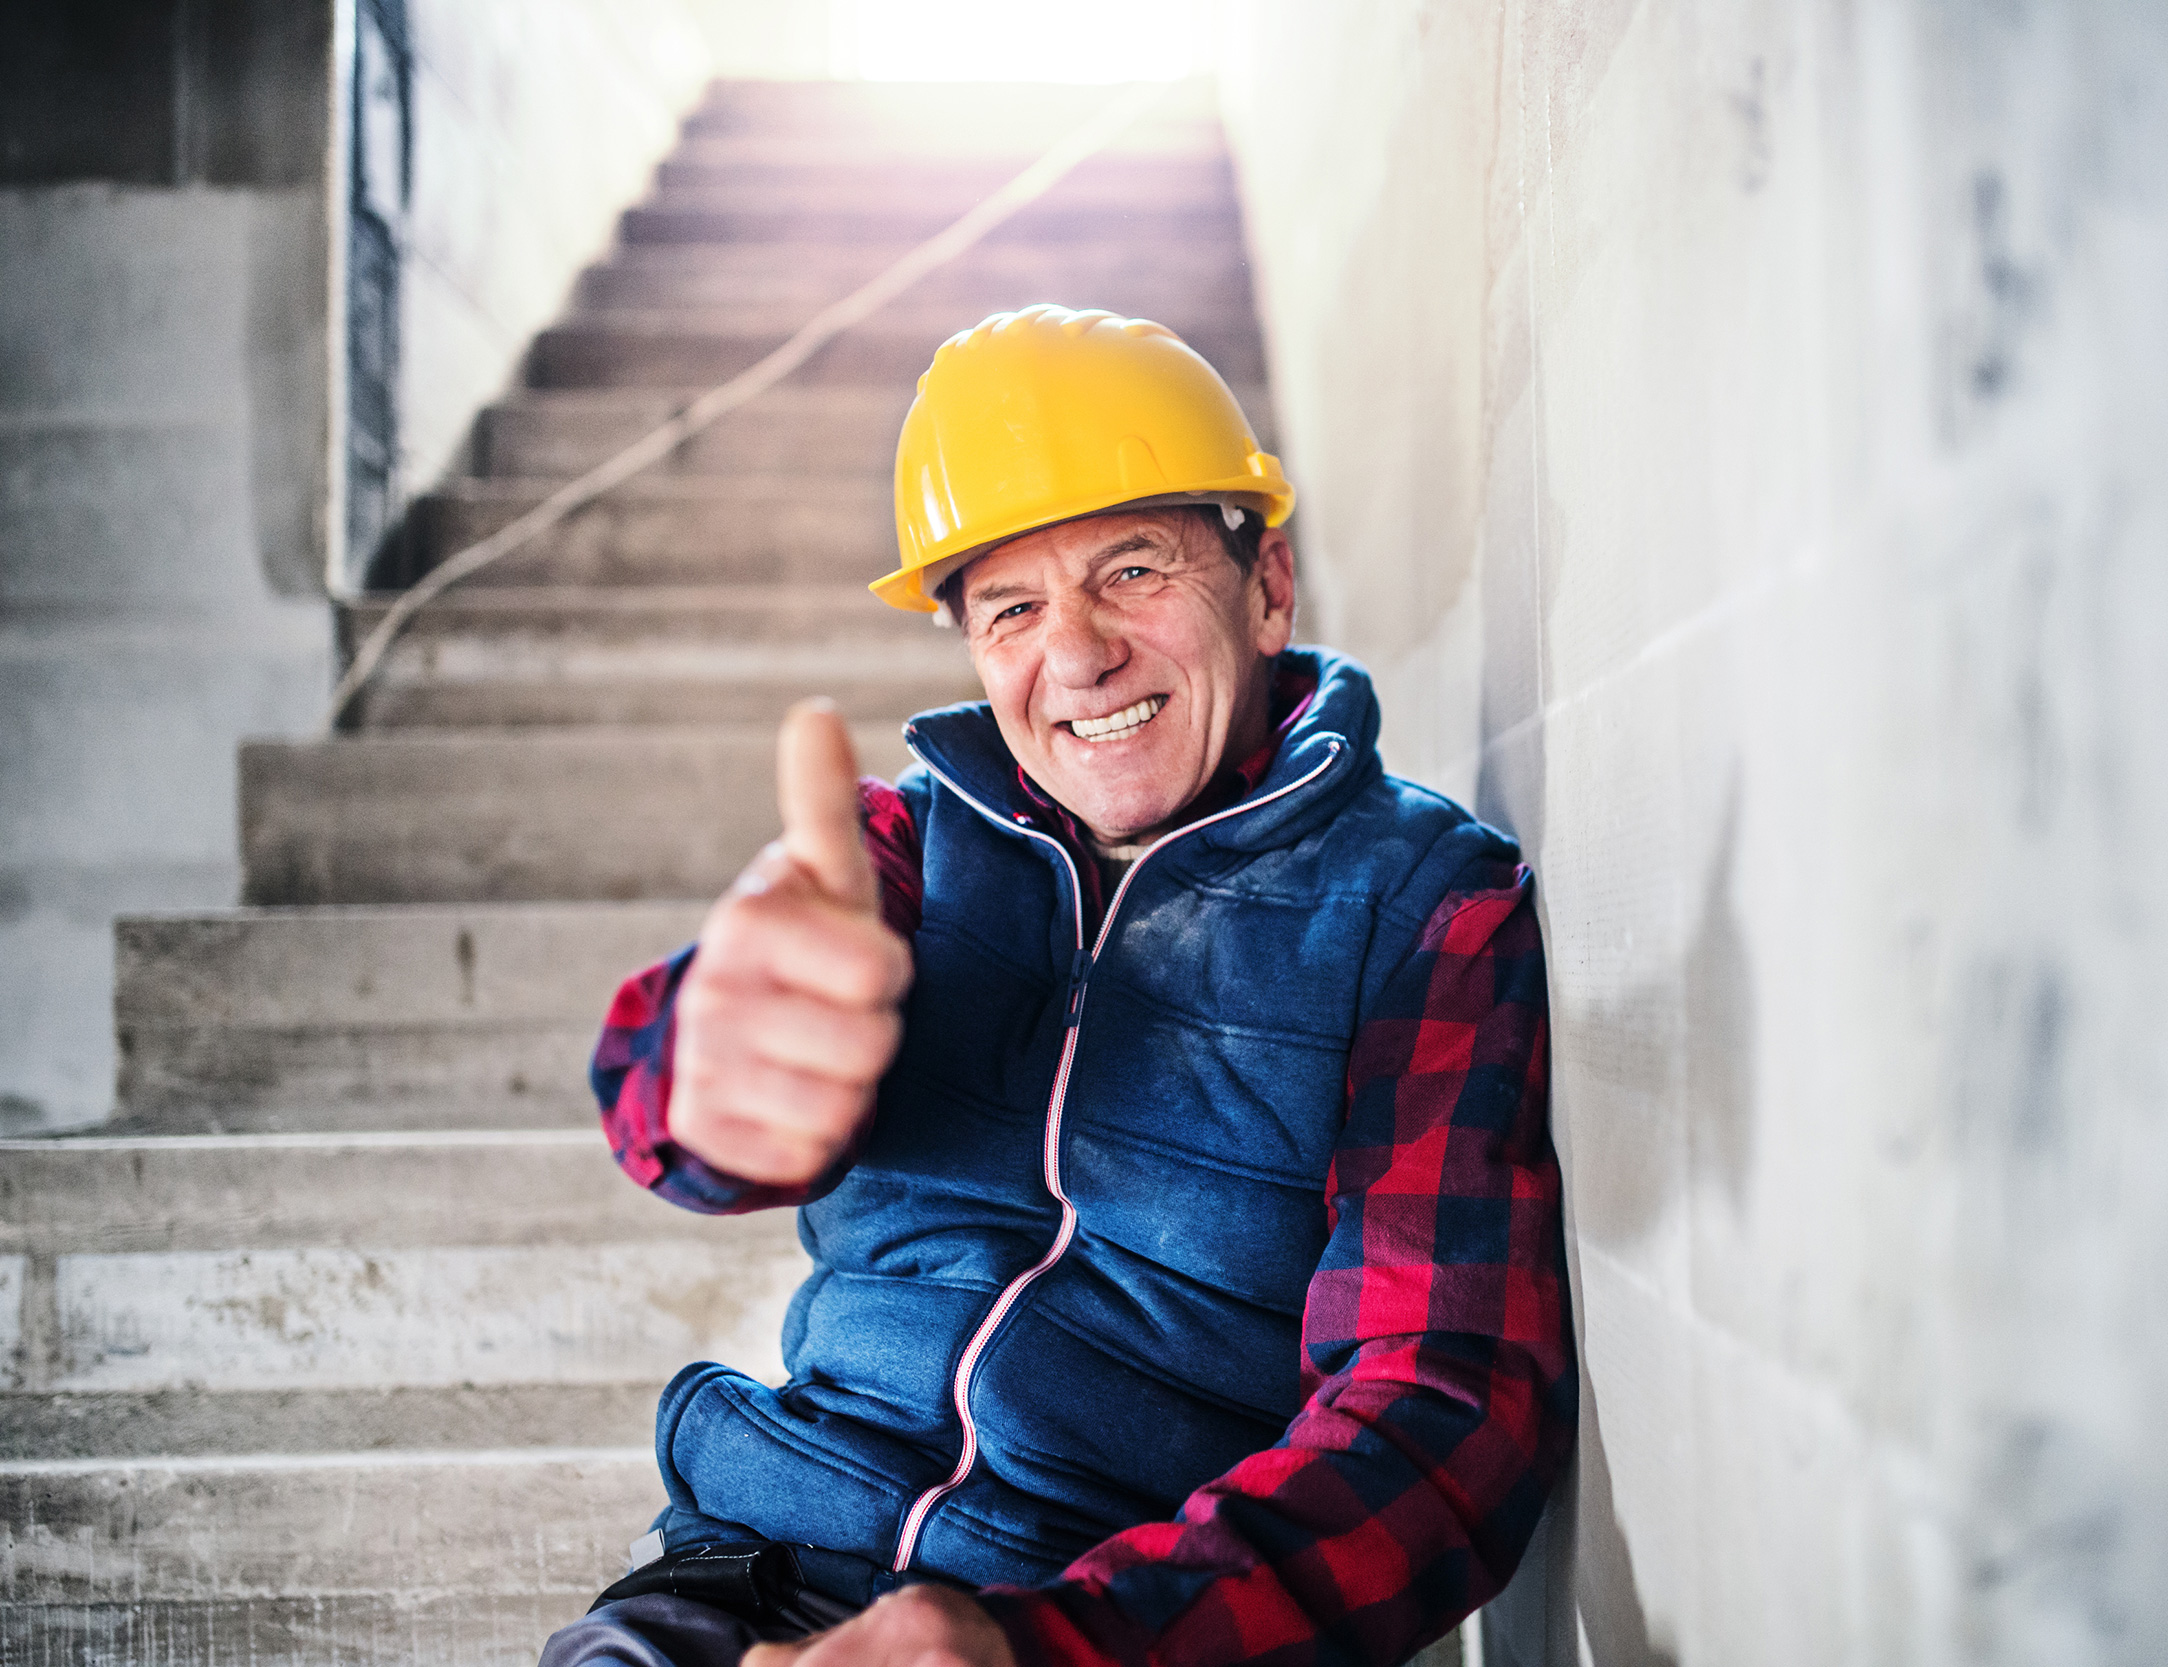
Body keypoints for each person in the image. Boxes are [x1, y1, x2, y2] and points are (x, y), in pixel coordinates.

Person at [542, 305, 1575, 1667]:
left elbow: (1439, 1413)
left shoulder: (1425, 902)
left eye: (1132, 570)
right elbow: (680, 1086)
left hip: (1118, 1613)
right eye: (1012, 609)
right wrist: (709, 1074)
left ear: (1266, 586)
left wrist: (1052, 1648)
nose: (1075, 655)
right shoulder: (905, 853)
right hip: (747, 1574)